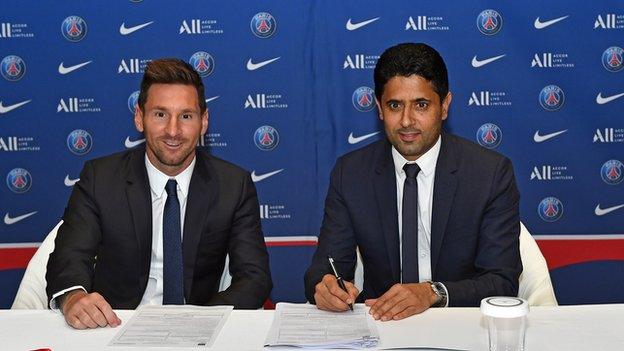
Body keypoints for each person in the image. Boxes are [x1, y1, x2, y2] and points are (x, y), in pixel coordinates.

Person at [46, 58, 272, 329]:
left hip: (197, 331)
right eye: (160, 114)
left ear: (204, 122)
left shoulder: (234, 185)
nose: (173, 131)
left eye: (186, 116)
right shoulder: (100, 178)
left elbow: (254, 277)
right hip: (114, 326)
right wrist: (73, 297)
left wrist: (197, 321)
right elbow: (70, 256)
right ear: (139, 118)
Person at [305, 43, 521, 321]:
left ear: (444, 106)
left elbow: (502, 281)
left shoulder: (489, 173)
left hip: (461, 325)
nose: (407, 121)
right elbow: (327, 264)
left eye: (421, 105)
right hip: (382, 326)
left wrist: (433, 292)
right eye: (395, 105)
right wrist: (323, 287)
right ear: (379, 108)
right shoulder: (351, 173)